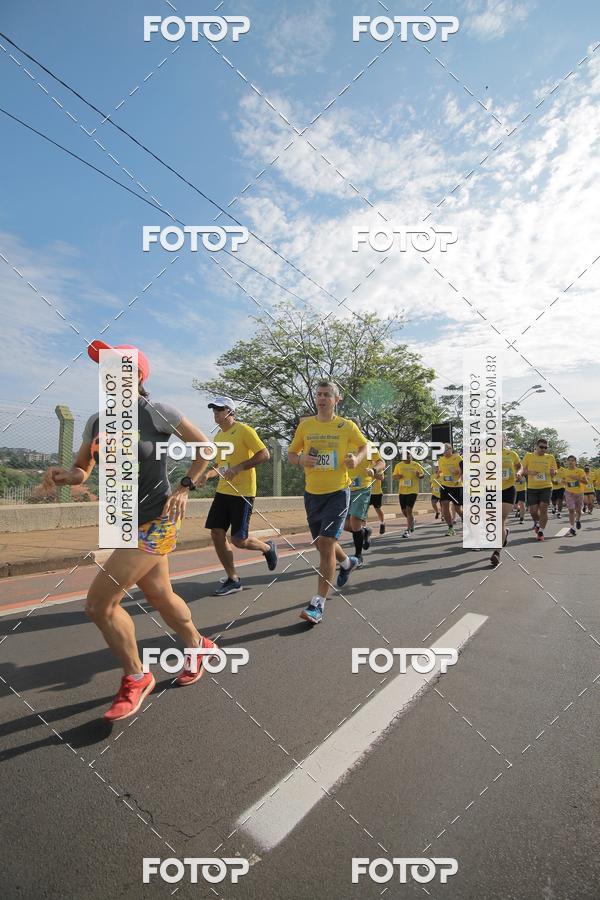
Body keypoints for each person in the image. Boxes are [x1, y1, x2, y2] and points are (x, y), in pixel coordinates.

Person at [47, 340, 217, 722]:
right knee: (159, 594)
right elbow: (82, 468)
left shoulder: (157, 412)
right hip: (120, 519)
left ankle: (137, 677)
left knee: (99, 605)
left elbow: (205, 449)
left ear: (137, 375)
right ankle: (199, 645)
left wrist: (185, 486)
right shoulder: (96, 421)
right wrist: (65, 476)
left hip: (157, 519)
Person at [288, 380, 369, 625]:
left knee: (325, 543)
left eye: (326, 395)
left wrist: (356, 457)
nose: (321, 399)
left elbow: (365, 446)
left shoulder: (346, 426)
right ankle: (347, 562)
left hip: (338, 492)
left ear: (336, 399)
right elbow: (291, 454)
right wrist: (301, 460)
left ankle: (318, 604)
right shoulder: (306, 426)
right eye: (318, 395)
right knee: (320, 543)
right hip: (312, 493)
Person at [201, 396, 277, 595]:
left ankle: (268, 548)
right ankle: (233, 578)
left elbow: (264, 454)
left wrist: (240, 467)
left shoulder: (244, 430)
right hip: (222, 491)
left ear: (229, 411)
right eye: (213, 410)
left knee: (238, 540)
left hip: (243, 492)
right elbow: (220, 465)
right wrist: (206, 476)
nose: (215, 413)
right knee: (216, 533)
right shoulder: (219, 437)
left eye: (219, 409)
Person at [343, 445, 385, 564]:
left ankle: (358, 556)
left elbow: (381, 462)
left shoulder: (368, 445)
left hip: (362, 489)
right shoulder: (342, 440)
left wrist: (374, 470)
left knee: (355, 520)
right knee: (344, 525)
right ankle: (365, 531)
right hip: (344, 489)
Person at [519, 438, 557, 542]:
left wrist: (554, 472)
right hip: (532, 487)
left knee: (543, 509)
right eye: (541, 447)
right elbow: (522, 469)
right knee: (533, 511)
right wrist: (529, 472)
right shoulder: (528, 456)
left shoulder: (550, 457)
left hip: (546, 487)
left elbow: (555, 472)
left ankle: (541, 532)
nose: (543, 449)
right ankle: (538, 523)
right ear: (536, 446)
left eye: (545, 447)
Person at [491, 440, 520, 567]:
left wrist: (518, 473)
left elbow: (519, 466)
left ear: (504, 440)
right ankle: (505, 533)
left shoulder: (511, 454)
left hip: (508, 489)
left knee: (500, 519)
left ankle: (497, 552)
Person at [392, 452, 425, 538]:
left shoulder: (416, 464)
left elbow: (422, 475)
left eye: (409, 455)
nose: (408, 457)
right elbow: (394, 476)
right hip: (402, 490)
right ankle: (412, 520)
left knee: (409, 510)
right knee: (404, 511)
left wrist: (419, 475)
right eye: (406, 456)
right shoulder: (398, 465)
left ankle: (408, 530)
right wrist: (398, 476)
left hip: (413, 490)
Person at [436, 443, 463, 536]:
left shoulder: (458, 458)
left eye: (446, 449)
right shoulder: (440, 460)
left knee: (457, 508)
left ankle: (466, 521)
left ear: (451, 449)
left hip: (456, 486)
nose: (444, 451)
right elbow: (441, 471)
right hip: (445, 486)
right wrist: (438, 474)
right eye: (442, 449)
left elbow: (462, 471)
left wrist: (456, 473)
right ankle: (450, 528)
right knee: (444, 506)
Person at [560, 455, 587, 535]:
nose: (571, 462)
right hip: (569, 492)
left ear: (575, 462)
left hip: (579, 493)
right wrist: (562, 482)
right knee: (571, 510)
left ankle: (578, 520)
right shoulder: (564, 471)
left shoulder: (580, 471)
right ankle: (572, 527)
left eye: (572, 460)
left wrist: (577, 478)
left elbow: (586, 482)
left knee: (578, 510)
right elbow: (563, 481)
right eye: (569, 460)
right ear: (567, 462)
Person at [368, 466, 386, 534]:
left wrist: (371, 473)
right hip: (366, 492)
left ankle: (382, 523)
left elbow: (381, 478)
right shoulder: (365, 465)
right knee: (364, 510)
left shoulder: (378, 467)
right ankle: (364, 527)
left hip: (376, 492)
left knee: (377, 509)